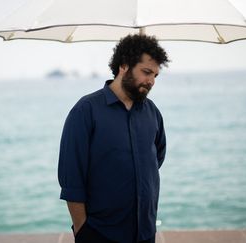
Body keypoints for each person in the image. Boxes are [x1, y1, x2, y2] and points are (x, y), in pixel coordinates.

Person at [58, 34, 169, 243]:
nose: (151, 81)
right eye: (146, 72)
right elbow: (71, 178)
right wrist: (82, 231)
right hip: (100, 234)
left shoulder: (152, 112)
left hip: (145, 233)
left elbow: (156, 159)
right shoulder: (86, 110)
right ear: (124, 66)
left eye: (155, 75)